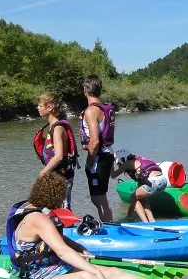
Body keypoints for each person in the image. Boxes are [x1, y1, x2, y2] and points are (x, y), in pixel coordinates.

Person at [5, 173, 188, 279]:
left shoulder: (35, 213)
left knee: (113, 272)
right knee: (90, 278)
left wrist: (81, 249)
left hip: (54, 268)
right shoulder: (38, 218)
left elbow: (57, 240)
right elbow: (62, 252)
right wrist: (93, 270)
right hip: (36, 275)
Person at [79, 75, 116, 221]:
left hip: (98, 158)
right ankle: (109, 225)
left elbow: (94, 141)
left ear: (85, 90)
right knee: (98, 198)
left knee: (100, 200)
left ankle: (110, 230)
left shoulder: (91, 111)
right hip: (107, 154)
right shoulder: (106, 109)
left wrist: (89, 162)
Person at [33, 93, 78, 209]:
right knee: (54, 207)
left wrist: (42, 173)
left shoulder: (58, 128)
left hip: (62, 176)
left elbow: (58, 156)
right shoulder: (52, 126)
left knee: (63, 208)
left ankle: (67, 227)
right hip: (55, 175)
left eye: (40, 105)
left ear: (50, 107)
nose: (38, 108)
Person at [111, 149, 167, 223]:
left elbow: (113, 175)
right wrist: (130, 213)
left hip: (153, 181)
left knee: (133, 197)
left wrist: (110, 162)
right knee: (142, 198)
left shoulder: (127, 164)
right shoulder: (138, 161)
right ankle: (151, 220)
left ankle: (145, 222)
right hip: (163, 180)